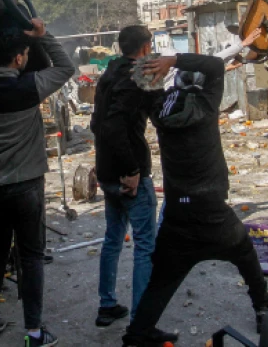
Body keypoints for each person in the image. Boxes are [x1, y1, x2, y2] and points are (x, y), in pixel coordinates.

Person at [122, 53, 268, 347]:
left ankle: (136, 336)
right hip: (213, 211)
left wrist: (150, 68)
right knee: (246, 256)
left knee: (160, 283)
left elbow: (147, 87)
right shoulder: (206, 103)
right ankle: (263, 309)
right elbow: (215, 65)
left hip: (178, 214)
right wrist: (173, 59)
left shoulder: (159, 111)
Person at [0, 17, 75, 346]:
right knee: (31, 256)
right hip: (25, 186)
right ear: (18, 58)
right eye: (25, 53)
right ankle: (34, 333)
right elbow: (66, 66)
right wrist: (45, 35)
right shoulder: (30, 86)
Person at [91, 26, 165, 329]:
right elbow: (112, 127)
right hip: (127, 173)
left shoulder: (110, 73)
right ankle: (141, 322)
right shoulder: (135, 77)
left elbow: (97, 123)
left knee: (113, 239)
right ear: (146, 48)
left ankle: (107, 305)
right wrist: (132, 170)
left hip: (107, 171)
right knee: (145, 245)